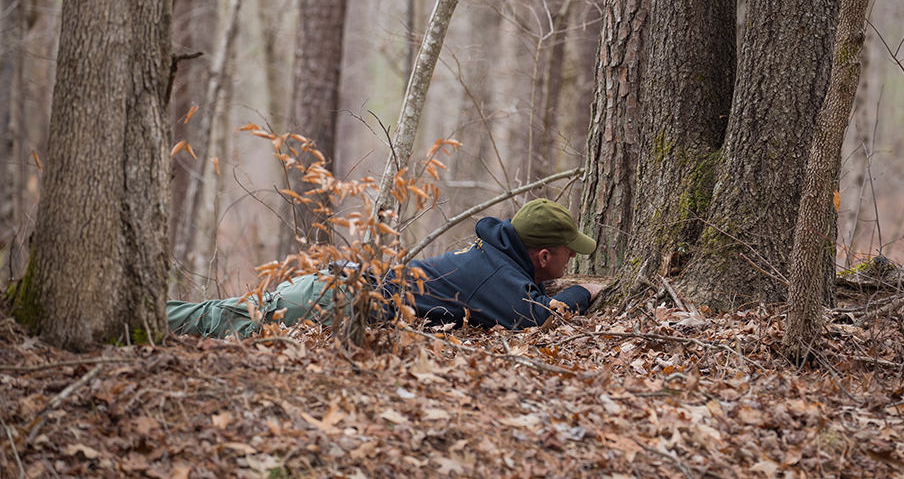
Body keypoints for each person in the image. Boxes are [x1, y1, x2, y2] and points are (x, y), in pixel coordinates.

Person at [168, 198, 604, 338]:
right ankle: (135, 318)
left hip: (336, 291)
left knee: (218, 316)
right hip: (334, 302)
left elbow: (523, 299)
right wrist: (584, 291)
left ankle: (150, 315)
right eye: (569, 253)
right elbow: (537, 317)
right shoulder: (496, 275)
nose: (573, 259)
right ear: (543, 256)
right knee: (214, 320)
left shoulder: (493, 262)